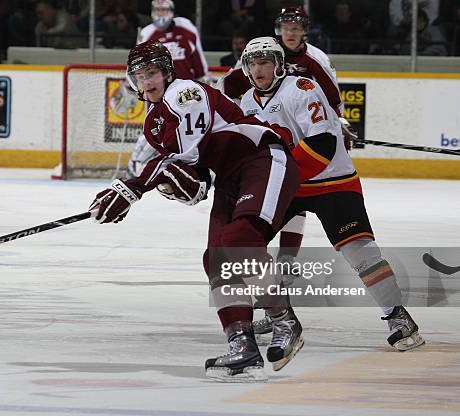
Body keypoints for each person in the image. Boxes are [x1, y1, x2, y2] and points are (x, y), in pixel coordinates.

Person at [90, 39, 304, 381]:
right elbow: (194, 179)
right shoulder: (152, 123)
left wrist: (131, 187)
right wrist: (180, 187)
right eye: (139, 76)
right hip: (231, 178)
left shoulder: (185, 93)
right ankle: (242, 345)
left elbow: (184, 155)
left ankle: (285, 321)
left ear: (166, 73)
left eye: (152, 73)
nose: (147, 82)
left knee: (239, 239)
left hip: (260, 158)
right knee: (216, 257)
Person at [239, 37, 425, 352]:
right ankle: (279, 314)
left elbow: (323, 145)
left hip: (331, 181)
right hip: (289, 184)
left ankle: (398, 317)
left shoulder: (301, 90)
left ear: (279, 65)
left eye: (265, 62)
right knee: (245, 241)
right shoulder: (246, 101)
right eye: (254, 63)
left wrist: (277, 178)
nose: (259, 69)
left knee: (361, 253)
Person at [217, 6, 357, 279]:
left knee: (295, 190)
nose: (290, 33)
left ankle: (288, 258)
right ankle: (284, 263)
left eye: (296, 28)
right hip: (277, 124)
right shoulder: (261, 52)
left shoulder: (316, 58)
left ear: (305, 31)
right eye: (286, 28)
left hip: (308, 130)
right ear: (278, 30)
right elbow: (230, 85)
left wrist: (336, 121)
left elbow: (331, 94)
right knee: (288, 192)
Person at [127, 0, 211, 179]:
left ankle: (197, 168)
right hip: (157, 92)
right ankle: (135, 165)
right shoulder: (148, 32)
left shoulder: (187, 28)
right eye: (157, 10)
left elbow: (199, 62)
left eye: (164, 10)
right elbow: (136, 64)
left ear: (172, 11)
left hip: (187, 93)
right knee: (154, 128)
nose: (160, 14)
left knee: (192, 130)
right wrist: (134, 86)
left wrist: (204, 81)